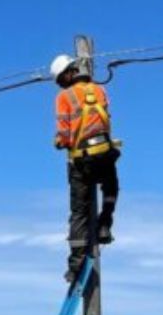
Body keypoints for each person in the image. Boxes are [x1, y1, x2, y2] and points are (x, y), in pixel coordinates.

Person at [50, 54, 121, 283]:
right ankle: (104, 225)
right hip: (103, 152)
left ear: (68, 74)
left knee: (79, 212)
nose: (60, 84)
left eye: (60, 79)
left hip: (81, 160)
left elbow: (64, 135)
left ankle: (76, 266)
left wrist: (59, 142)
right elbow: (105, 119)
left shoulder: (63, 97)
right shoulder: (99, 90)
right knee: (110, 188)